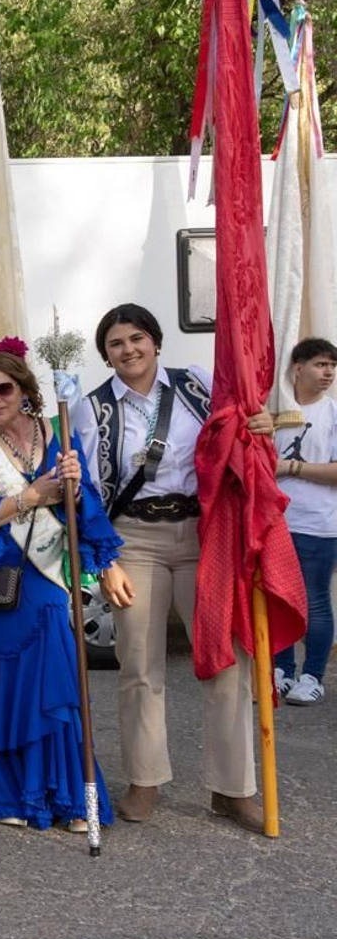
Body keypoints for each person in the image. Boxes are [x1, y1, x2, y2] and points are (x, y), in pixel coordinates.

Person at [71, 303, 274, 832]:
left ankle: (233, 789)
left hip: (206, 534)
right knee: (138, 664)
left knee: (226, 659)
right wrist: (105, 559)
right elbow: (88, 493)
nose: (128, 350)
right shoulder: (90, 410)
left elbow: (242, 433)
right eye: (116, 344)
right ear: (106, 355)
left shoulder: (199, 385)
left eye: (137, 338)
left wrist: (260, 422)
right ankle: (145, 779)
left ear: (156, 342)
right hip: (134, 537)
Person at [0, 339, 123, 831]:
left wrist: (76, 496)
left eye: (4, 388)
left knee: (55, 680)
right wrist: (29, 495)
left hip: (47, 576)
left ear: (24, 389)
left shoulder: (56, 433)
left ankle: (69, 798)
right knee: (5, 683)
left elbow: (86, 509)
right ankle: (12, 794)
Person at [272, 337, 337, 706]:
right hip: (276, 521)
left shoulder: (332, 413)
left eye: (332, 366)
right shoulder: (275, 410)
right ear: (297, 367)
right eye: (320, 364)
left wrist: (291, 468)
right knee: (279, 597)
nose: (328, 372)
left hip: (318, 523)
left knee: (314, 601)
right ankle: (282, 668)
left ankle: (312, 675)